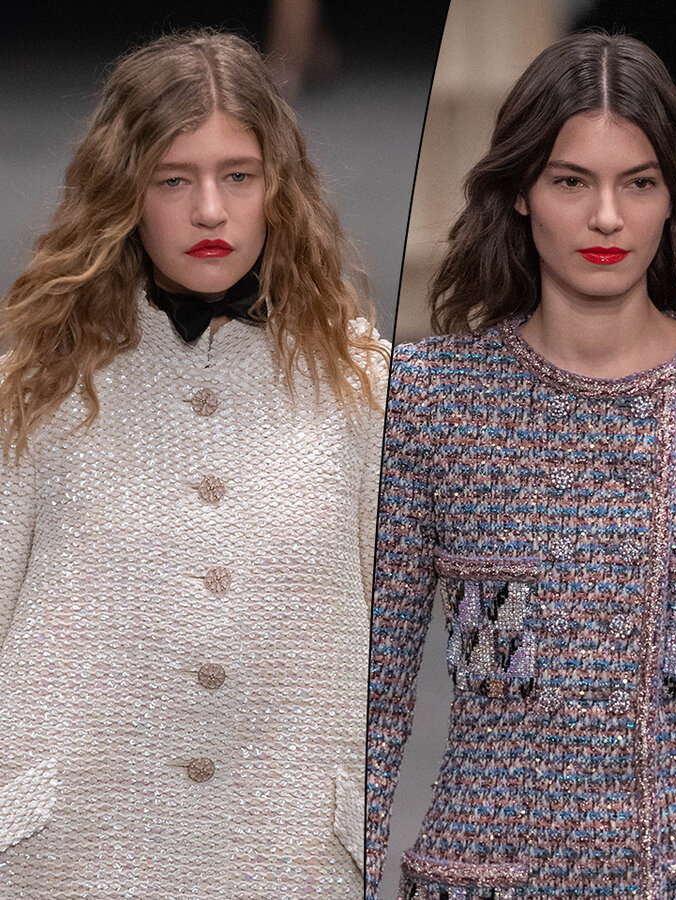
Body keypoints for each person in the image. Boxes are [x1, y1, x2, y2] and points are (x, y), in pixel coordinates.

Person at [368, 31, 676, 900]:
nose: (607, 218)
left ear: (675, 197)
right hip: (486, 877)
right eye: (571, 182)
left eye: (639, 183)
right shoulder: (431, 399)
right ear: (520, 192)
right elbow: (371, 701)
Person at [0, 30, 386, 895]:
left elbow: (399, 642)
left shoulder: (362, 386)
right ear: (122, 191)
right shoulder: (36, 386)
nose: (210, 210)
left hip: (288, 849)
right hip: (69, 850)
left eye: (237, 176)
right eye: (173, 180)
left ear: (278, 187)